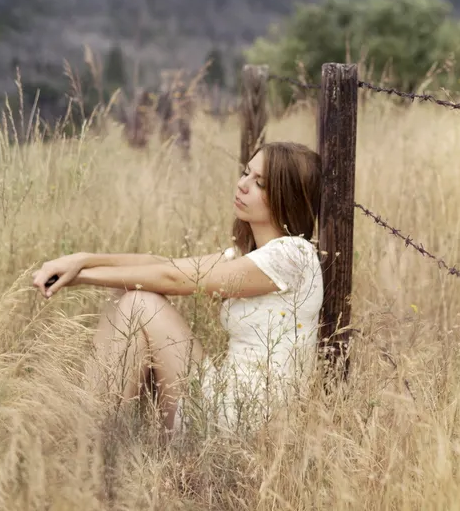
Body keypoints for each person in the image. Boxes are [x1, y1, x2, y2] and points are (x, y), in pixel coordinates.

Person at [32, 141, 324, 436]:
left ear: (287, 198)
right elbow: (162, 263)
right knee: (129, 294)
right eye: (245, 173)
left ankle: (89, 432)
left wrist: (81, 277)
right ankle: (92, 425)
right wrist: (83, 261)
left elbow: (174, 279)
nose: (243, 185)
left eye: (259, 183)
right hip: (228, 395)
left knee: (138, 302)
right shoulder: (257, 256)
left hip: (246, 418)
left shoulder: (292, 255)